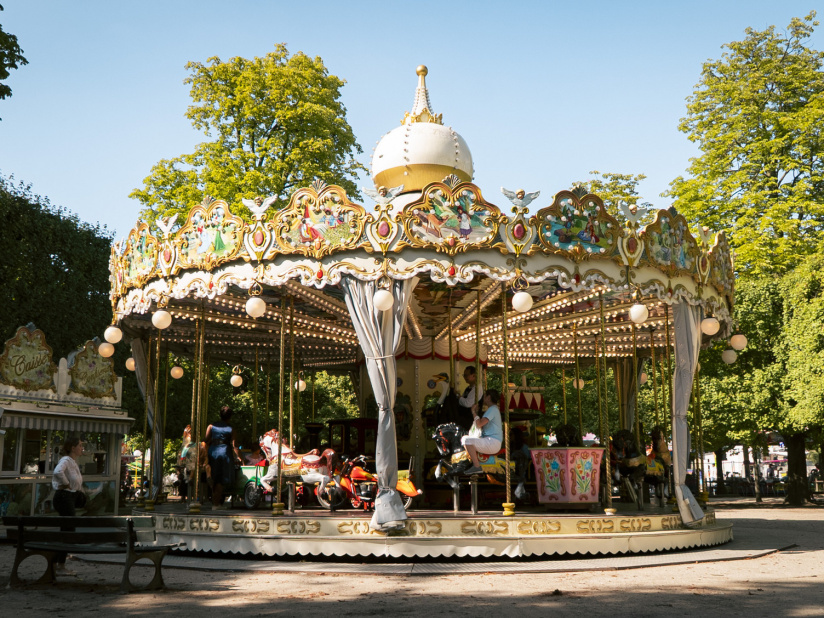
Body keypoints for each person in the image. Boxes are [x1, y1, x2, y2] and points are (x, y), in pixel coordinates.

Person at [52, 436, 85, 573]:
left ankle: (58, 562)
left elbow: (76, 482)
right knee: (68, 529)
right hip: (65, 497)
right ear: (72, 448)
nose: (82, 448)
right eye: (80, 445)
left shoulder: (72, 462)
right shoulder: (66, 460)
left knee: (67, 529)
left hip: (69, 496)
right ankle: (58, 563)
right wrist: (65, 484)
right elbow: (57, 471)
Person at [204, 406, 241, 510]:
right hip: (224, 451)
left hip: (213, 450)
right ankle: (216, 504)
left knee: (214, 476)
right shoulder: (231, 429)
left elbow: (206, 440)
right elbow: (235, 445)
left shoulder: (211, 426)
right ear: (230, 416)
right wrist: (241, 458)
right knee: (221, 479)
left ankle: (215, 501)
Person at [461, 388, 503, 475]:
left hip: (492, 442)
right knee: (466, 438)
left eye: (484, 396)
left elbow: (479, 424)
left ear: (489, 397)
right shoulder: (492, 409)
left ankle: (476, 466)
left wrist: (473, 412)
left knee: (466, 440)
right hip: (490, 440)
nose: (483, 398)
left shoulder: (493, 409)